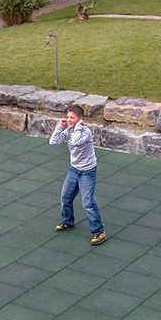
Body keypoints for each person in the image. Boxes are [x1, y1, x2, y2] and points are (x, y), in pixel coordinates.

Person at [49, 104, 107, 245]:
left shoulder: (85, 132)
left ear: (80, 119)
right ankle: (68, 221)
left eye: (72, 117)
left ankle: (99, 232)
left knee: (88, 202)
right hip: (74, 169)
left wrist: (79, 126)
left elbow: (75, 142)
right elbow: (53, 141)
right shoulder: (69, 130)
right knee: (65, 197)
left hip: (88, 171)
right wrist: (60, 126)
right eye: (67, 117)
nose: (68, 120)